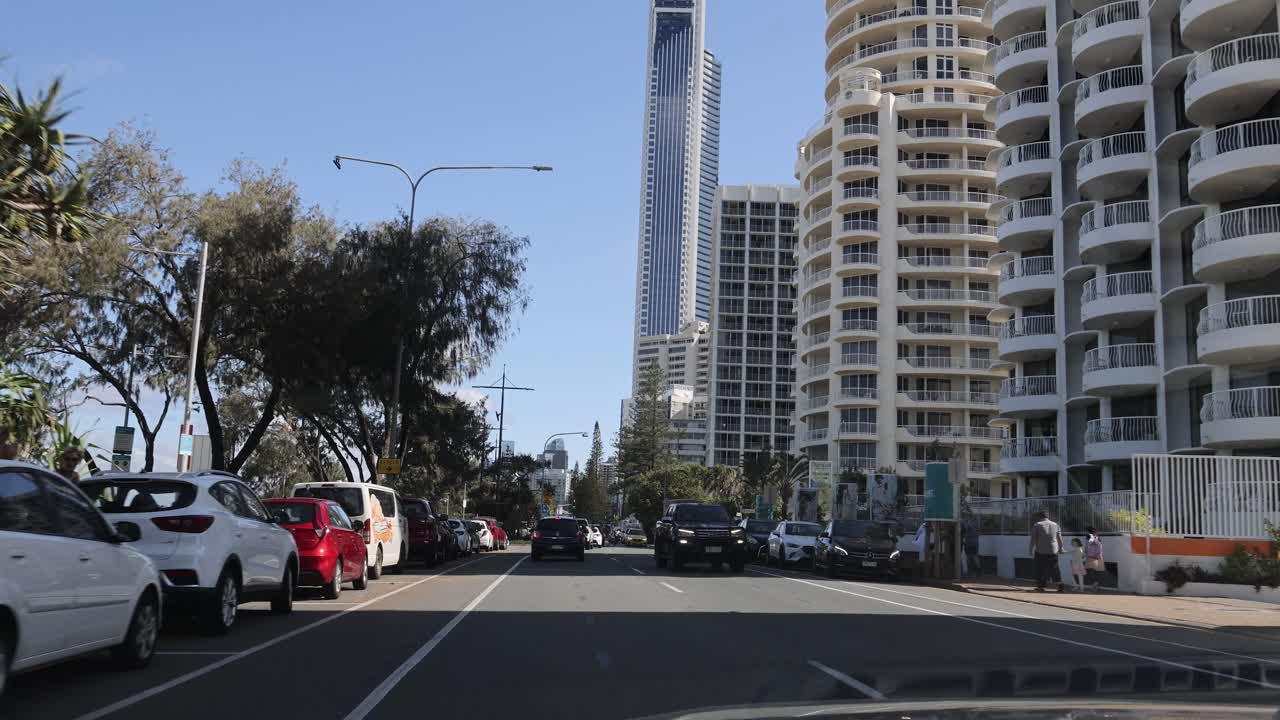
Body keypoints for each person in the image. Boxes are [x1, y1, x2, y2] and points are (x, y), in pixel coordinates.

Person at [1029, 510, 1063, 592]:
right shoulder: (1055, 524)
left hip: (1041, 550)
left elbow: (1033, 539)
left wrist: (1031, 550)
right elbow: (1059, 538)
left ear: (1039, 517)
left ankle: (1041, 587)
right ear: (1047, 516)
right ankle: (1060, 585)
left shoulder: (1037, 525)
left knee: (1040, 569)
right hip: (1053, 550)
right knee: (1055, 568)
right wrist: (1061, 548)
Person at [1084, 526, 1105, 591]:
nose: (1085, 532)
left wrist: (1086, 552)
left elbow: (1096, 547)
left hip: (1092, 557)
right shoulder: (1095, 538)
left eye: (1087, 531)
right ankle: (1095, 585)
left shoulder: (1091, 538)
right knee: (1094, 571)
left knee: (1090, 571)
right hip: (1096, 557)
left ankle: (1095, 584)